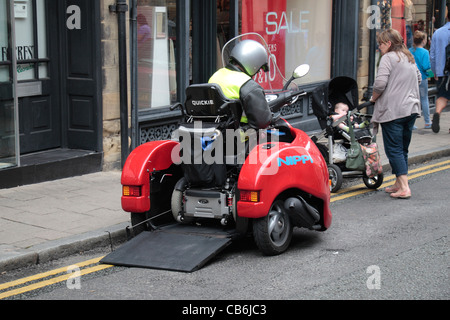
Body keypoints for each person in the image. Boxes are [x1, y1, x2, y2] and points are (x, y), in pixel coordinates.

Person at [370, 29, 421, 199]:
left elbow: (380, 84)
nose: (379, 47)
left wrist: (373, 98)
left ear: (389, 44)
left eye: (381, 44)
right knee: (402, 148)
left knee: (394, 149)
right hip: (411, 109)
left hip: (393, 110)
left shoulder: (388, 58)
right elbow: (419, 78)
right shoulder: (409, 57)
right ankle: (398, 183)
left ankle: (405, 187)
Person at [208, 39, 272, 129]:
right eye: (258, 70)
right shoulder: (247, 85)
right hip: (240, 138)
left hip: (215, 133)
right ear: (253, 63)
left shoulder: (215, 76)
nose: (257, 73)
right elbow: (262, 122)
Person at [430, 5, 450, 133]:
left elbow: (432, 55)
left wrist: (435, 71)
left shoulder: (438, 33)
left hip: (442, 71)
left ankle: (437, 112)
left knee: (442, 96)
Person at [409, 30, 432, 129]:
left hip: (411, 78)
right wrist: (431, 74)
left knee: (412, 100)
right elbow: (427, 66)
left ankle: (411, 123)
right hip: (422, 78)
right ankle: (427, 122)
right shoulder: (425, 52)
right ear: (423, 41)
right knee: (424, 99)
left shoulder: (410, 50)